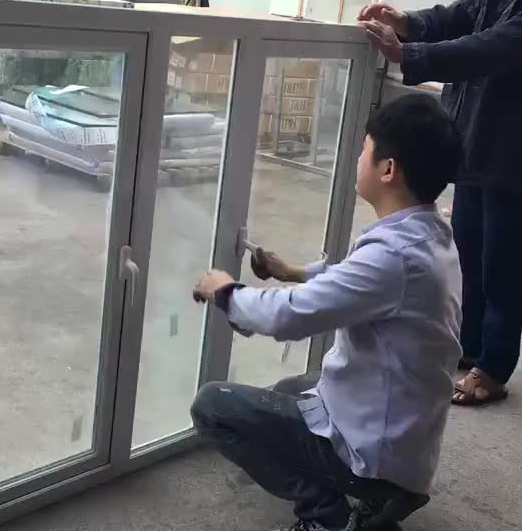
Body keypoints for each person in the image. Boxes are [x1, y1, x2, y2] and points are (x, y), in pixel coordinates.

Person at [190, 95, 464, 531]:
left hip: (380, 455)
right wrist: (293, 272)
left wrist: (224, 291)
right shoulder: (427, 233)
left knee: (213, 406)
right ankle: (377, 497)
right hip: (406, 433)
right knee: (288, 389)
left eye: (363, 150)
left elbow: (289, 316)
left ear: (388, 169)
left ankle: (332, 514)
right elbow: (360, 280)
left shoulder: (395, 255)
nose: (357, 159)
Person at [358, 0, 522, 405]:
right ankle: (470, 345)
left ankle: (494, 367)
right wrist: (406, 22)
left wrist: (408, 54)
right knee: (467, 259)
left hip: (512, 158)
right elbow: (454, 17)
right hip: (473, 146)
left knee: (502, 269)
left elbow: (487, 49)